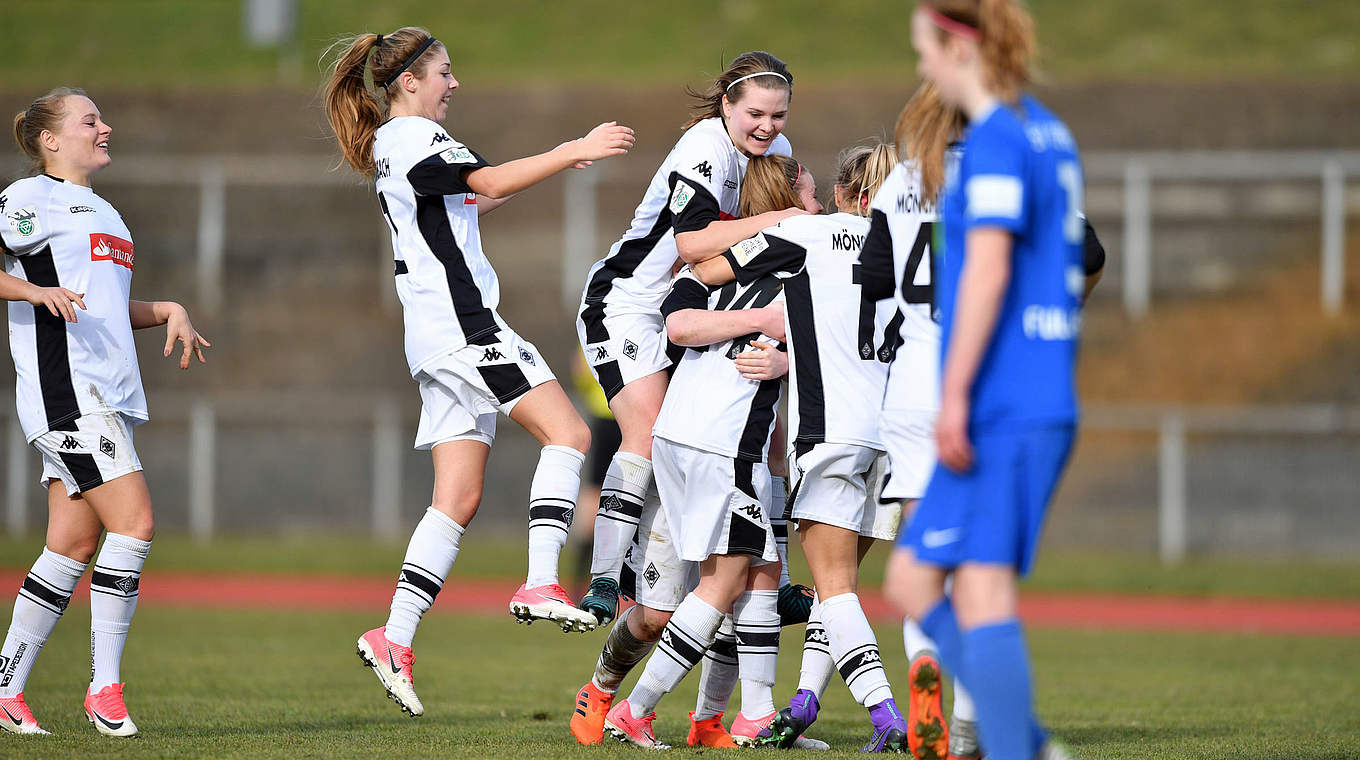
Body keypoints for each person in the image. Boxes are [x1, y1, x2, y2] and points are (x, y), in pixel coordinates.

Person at [322, 26, 635, 716]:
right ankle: (539, 581)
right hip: (466, 328)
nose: (453, 84)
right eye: (444, 71)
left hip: (431, 338)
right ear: (409, 81)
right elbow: (485, 179)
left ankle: (393, 637)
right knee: (571, 436)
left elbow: (476, 198)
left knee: (456, 498)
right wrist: (569, 149)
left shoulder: (390, 146)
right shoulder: (414, 139)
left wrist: (552, 166)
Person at [884, 3, 1089, 759]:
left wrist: (959, 394)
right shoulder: (1047, 130)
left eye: (924, 50)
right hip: (1032, 395)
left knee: (965, 587)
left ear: (959, 45)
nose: (921, 68)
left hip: (1004, 402)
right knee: (926, 581)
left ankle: (1018, 746)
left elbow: (992, 269)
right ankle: (1023, 742)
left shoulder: (1001, 139)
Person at [0, 87, 211, 737]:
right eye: (90, 120)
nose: (105, 127)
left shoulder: (108, 214)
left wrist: (169, 309)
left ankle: (5, 686)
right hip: (69, 397)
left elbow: (104, 306)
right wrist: (32, 290)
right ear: (51, 140)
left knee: (72, 543)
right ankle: (105, 687)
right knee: (136, 522)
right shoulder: (26, 200)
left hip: (106, 400)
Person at [690, 143, 914, 752]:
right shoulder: (913, 250)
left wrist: (769, 223)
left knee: (834, 588)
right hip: (894, 439)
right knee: (830, 586)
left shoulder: (812, 235)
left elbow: (706, 269)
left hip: (830, 432)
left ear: (846, 194)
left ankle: (887, 714)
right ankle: (804, 702)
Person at [597, 156, 822, 750]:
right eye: (811, 193)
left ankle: (752, 715)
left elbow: (678, 314)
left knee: (762, 571)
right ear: (790, 201)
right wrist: (779, 339)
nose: (818, 203)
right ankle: (635, 710)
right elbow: (845, 345)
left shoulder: (739, 254)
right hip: (724, 438)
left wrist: (780, 347)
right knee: (722, 584)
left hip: (682, 428)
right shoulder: (809, 240)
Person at [576, 51, 806, 627]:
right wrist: (779, 222)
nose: (767, 126)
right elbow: (692, 243)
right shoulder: (705, 146)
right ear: (726, 103)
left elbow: (790, 221)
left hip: (695, 305)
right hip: (627, 303)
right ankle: (604, 578)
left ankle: (762, 576)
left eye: (778, 115)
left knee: (758, 434)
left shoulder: (773, 151)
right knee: (648, 432)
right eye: (754, 112)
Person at [859, 82, 980, 760]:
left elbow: (875, 281)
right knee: (977, 564)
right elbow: (1086, 257)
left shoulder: (901, 181)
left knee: (925, 557)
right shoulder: (1005, 171)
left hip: (908, 392)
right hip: (979, 390)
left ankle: (924, 677)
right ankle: (963, 722)